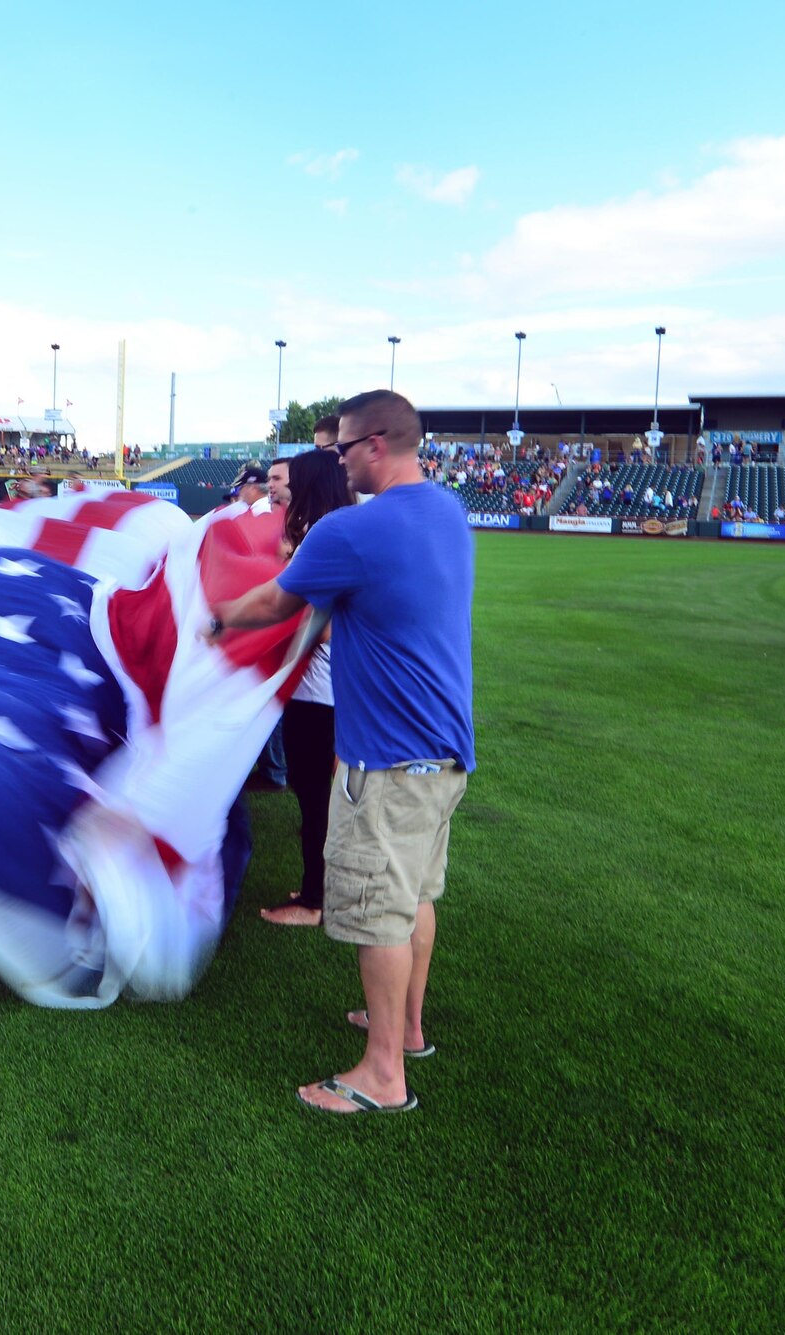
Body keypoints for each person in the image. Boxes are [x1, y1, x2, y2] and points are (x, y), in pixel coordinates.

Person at [208, 389, 473, 1116]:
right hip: (446, 749)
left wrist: (215, 616)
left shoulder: (353, 530)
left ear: (377, 444)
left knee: (380, 913)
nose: (338, 459)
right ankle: (409, 1027)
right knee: (416, 895)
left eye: (343, 447)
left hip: (387, 755)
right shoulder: (449, 512)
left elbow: (272, 603)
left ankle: (383, 1073)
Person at [259, 447, 355, 927]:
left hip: (319, 692)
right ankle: (321, 888)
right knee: (317, 793)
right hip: (327, 690)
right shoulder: (339, 532)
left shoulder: (326, 536)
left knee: (315, 794)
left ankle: (315, 901)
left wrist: (273, 627)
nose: (285, 489)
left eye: (292, 481)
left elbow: (327, 625)